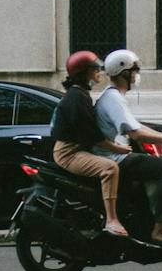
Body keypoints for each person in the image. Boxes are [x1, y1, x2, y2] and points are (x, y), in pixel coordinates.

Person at [93, 49, 162, 243]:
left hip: (112, 153)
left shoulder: (113, 95)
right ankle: (160, 228)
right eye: (135, 70)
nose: (136, 75)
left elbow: (136, 125)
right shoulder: (114, 98)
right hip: (113, 158)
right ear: (123, 72)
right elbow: (136, 133)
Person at [50, 50, 130, 236]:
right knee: (110, 168)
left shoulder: (80, 94)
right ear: (84, 72)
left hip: (77, 149)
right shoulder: (77, 97)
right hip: (69, 153)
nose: (99, 73)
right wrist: (118, 148)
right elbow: (91, 135)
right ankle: (111, 220)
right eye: (95, 69)